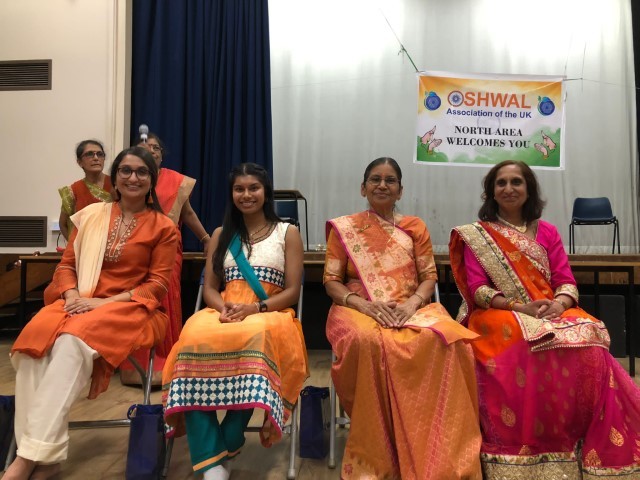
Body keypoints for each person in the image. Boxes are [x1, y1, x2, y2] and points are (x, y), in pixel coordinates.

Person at [449, 160, 640, 478]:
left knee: (589, 337)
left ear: (529, 189)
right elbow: (478, 290)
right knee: (522, 340)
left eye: (516, 182)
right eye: (501, 183)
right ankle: (522, 446)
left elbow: (565, 281)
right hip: (500, 313)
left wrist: (559, 304)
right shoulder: (478, 236)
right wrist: (519, 307)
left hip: (549, 308)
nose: (509, 188)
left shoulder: (548, 231)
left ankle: (575, 438)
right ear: (491, 192)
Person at [4, 146, 177, 480]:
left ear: (152, 180)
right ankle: (47, 459)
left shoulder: (163, 227)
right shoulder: (91, 216)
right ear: (116, 177)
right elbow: (66, 266)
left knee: (70, 342)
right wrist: (71, 295)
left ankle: (26, 458)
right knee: (30, 348)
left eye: (142, 172)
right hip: (78, 301)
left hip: (130, 308)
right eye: (126, 170)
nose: (133, 177)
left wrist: (102, 304)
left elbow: (156, 286)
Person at [323, 157, 482, 479]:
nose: (382, 185)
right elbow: (331, 281)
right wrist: (363, 305)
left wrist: (412, 304)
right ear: (363, 187)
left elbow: (428, 276)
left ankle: (435, 442)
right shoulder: (345, 229)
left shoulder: (414, 226)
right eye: (375, 179)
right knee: (368, 340)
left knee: (450, 341)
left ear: (400, 190)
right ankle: (378, 445)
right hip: (356, 306)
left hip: (411, 304)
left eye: (390, 180)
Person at [162, 163, 308, 480]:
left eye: (253, 188)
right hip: (224, 310)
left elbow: (293, 292)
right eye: (239, 189)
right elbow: (210, 289)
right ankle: (213, 459)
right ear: (231, 194)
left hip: (269, 312)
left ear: (266, 192)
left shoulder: (287, 233)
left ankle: (226, 441)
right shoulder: (220, 234)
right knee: (192, 337)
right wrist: (225, 308)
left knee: (256, 337)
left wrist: (256, 308)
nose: (246, 195)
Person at [120, 131, 210, 384]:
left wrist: (205, 238)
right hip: (135, 249)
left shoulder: (176, 181)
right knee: (137, 300)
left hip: (168, 250)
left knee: (165, 299)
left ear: (161, 155)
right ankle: (133, 366)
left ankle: (167, 362)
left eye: (156, 147)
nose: (151, 150)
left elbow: (187, 214)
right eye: (144, 146)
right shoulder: (131, 183)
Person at [58, 139, 113, 241]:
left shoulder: (116, 185)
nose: (96, 158)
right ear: (80, 162)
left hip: (112, 244)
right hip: (84, 246)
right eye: (89, 154)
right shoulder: (72, 191)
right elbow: (63, 224)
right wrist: (75, 245)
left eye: (100, 154)